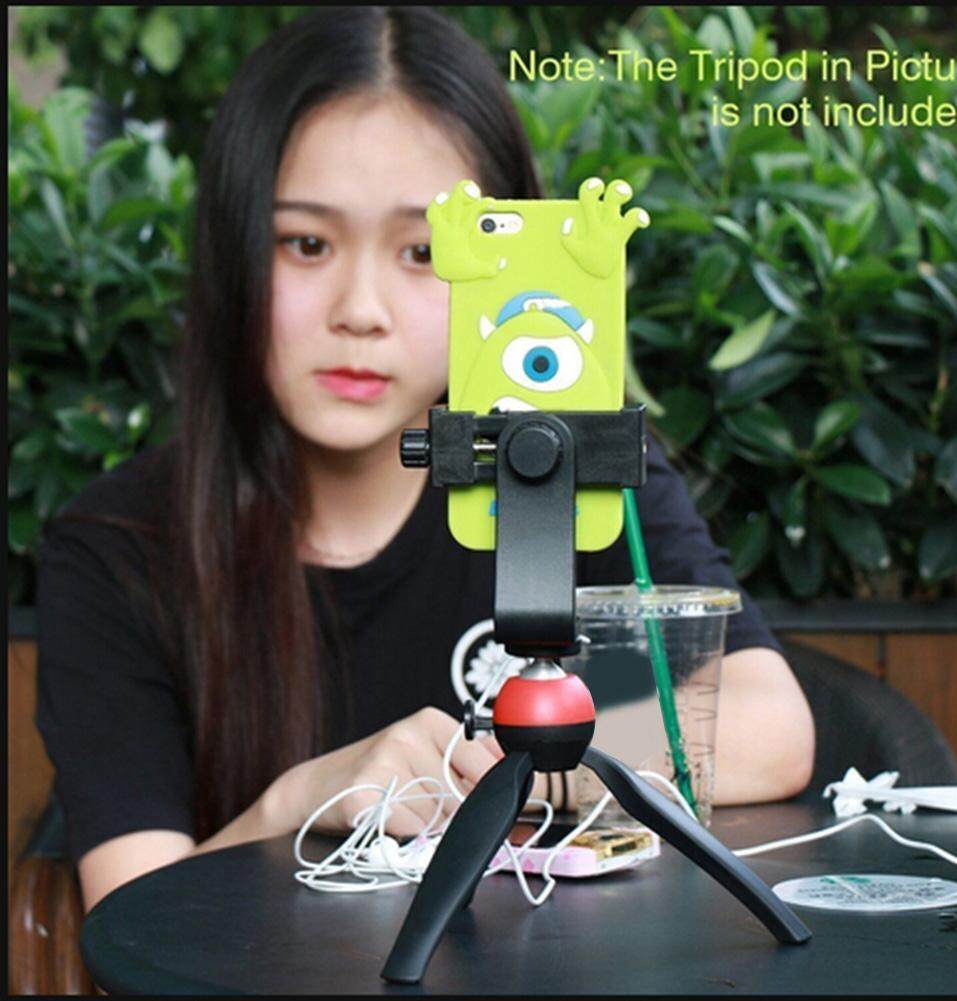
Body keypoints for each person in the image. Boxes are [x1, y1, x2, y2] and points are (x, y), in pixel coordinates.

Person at [35, 7, 815, 914]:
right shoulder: (119, 547)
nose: (360, 310)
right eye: (307, 243)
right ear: (233, 253)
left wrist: (511, 760)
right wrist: (300, 800)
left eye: (423, 251)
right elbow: (131, 916)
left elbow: (767, 722)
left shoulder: (566, 463)